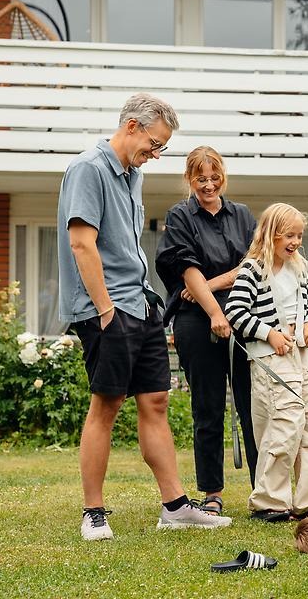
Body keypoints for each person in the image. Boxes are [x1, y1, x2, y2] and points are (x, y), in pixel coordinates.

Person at [58, 93, 231, 541]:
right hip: (107, 309)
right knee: (106, 406)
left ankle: (174, 506)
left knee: (155, 402)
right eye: (154, 144)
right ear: (132, 126)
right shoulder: (89, 169)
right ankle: (93, 513)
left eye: (161, 148)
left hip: (141, 303)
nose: (155, 154)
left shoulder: (132, 175)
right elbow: (82, 244)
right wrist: (104, 310)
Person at [155, 146, 258, 517]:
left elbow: (252, 265)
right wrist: (214, 310)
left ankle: (264, 489)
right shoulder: (180, 216)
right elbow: (186, 269)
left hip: (244, 316)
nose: (209, 185)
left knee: (254, 407)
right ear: (189, 179)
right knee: (208, 407)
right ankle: (212, 492)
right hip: (198, 322)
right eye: (201, 179)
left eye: (215, 178)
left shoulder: (243, 216)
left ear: (223, 177)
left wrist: (213, 285)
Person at [224, 202, 308, 522]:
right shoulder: (253, 269)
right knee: (284, 425)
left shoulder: (299, 268)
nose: (296, 241)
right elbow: (235, 313)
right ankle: (270, 501)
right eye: (289, 235)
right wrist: (269, 334)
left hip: (302, 356)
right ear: (271, 234)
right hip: (271, 358)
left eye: (300, 235)